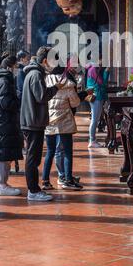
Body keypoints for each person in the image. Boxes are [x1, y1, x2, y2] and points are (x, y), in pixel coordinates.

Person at [20, 46, 64, 202]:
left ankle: (34, 189)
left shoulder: (34, 73)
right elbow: (41, 96)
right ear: (45, 60)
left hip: (33, 121)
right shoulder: (36, 74)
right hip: (33, 122)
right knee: (32, 158)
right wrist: (55, 88)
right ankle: (33, 190)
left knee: (34, 157)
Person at [42, 63, 82, 191]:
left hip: (49, 121)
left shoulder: (45, 82)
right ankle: (68, 180)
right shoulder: (68, 84)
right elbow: (75, 103)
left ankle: (45, 181)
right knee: (67, 152)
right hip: (64, 121)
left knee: (50, 152)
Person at [0, 53, 23, 196]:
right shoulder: (4, 80)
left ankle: (4, 183)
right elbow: (5, 103)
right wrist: (19, 100)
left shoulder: (3, 79)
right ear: (10, 67)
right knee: (3, 156)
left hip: (4, 123)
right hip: (3, 124)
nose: (17, 69)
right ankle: (2, 185)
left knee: (5, 155)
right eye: (16, 66)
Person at [86, 60, 110, 148]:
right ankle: (92, 140)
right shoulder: (93, 70)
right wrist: (106, 73)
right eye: (101, 59)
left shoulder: (94, 69)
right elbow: (102, 83)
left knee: (95, 119)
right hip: (96, 97)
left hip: (97, 96)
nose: (101, 61)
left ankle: (93, 140)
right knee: (94, 119)